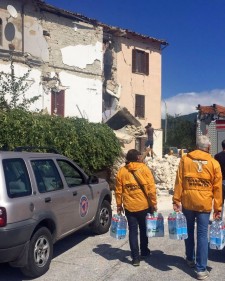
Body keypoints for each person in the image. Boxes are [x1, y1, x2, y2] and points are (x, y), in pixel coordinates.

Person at [173, 135, 222, 280]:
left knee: (188, 231)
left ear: (196, 146)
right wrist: (218, 208)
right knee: (202, 235)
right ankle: (200, 269)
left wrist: (176, 199)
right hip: (204, 204)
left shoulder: (185, 160)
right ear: (208, 147)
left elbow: (179, 181)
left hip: (188, 202)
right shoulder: (214, 163)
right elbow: (217, 188)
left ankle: (190, 258)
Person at [115, 149, 157, 266]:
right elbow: (151, 189)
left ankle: (135, 258)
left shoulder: (122, 171)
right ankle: (144, 251)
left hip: (129, 207)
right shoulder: (144, 169)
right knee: (144, 229)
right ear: (138, 158)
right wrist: (153, 204)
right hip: (144, 205)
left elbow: (118, 191)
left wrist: (119, 205)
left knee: (133, 231)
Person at [214, 139, 225, 203]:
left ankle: (219, 213)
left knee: (220, 203)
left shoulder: (217, 156)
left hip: (220, 181)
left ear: (222, 146)